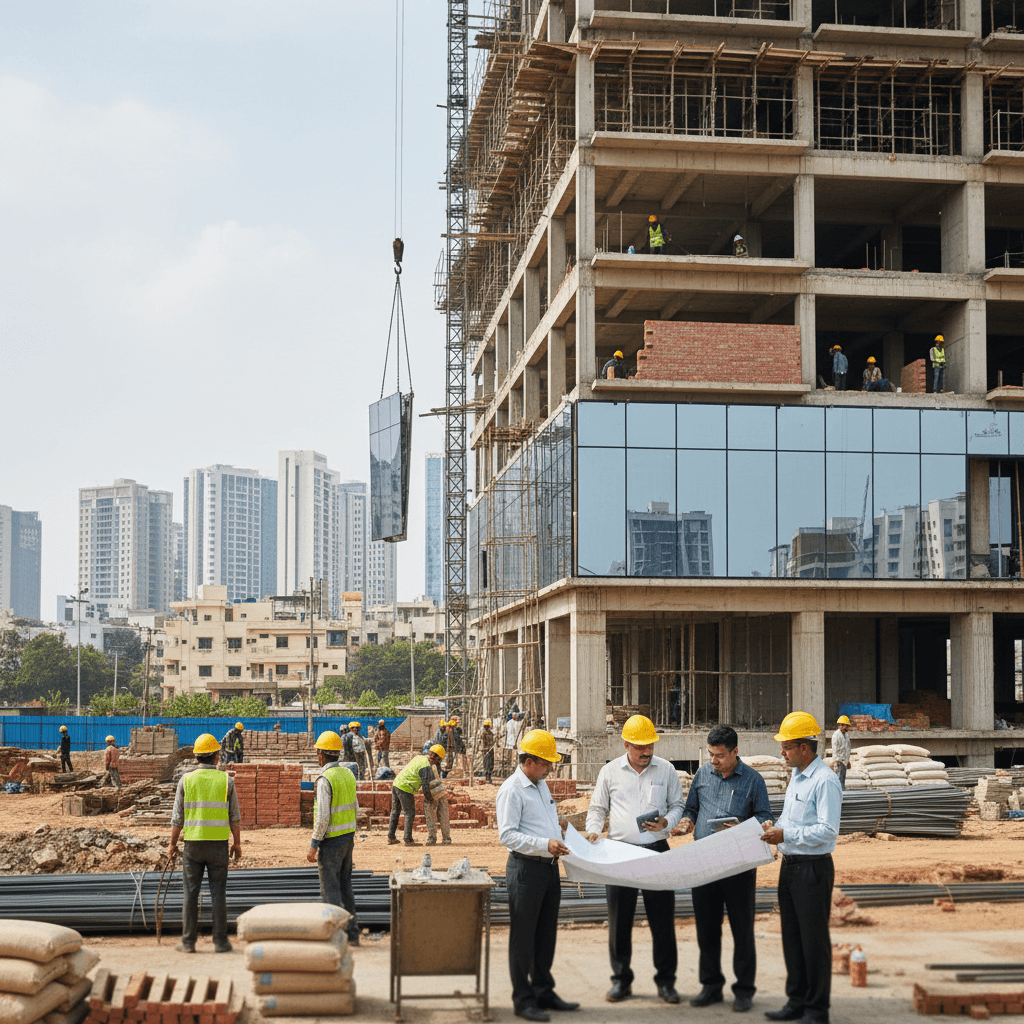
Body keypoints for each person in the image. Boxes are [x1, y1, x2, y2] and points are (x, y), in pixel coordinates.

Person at [584, 715, 685, 1005]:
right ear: (626, 744)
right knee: (619, 920)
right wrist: (593, 831)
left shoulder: (665, 770)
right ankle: (620, 980)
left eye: (650, 746)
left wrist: (667, 821)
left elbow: (678, 805)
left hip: (656, 850)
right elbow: (598, 807)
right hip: (620, 852)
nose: (647, 752)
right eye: (641, 747)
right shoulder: (610, 772)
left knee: (663, 920)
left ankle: (666, 982)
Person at [674, 725, 772, 1013]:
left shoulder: (754, 780)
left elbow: (765, 815)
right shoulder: (703, 775)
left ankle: (743, 990)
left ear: (735, 752)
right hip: (704, 861)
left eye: (719, 755)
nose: (713, 761)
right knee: (706, 927)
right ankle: (711, 986)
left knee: (742, 929)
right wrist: (687, 822)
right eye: (710, 754)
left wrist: (744, 827)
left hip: (738, 864)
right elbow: (691, 808)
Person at [761, 712, 843, 1024]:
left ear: (804, 749)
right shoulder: (798, 776)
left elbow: (827, 831)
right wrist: (775, 828)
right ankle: (796, 1001)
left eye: (786, 746)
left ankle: (817, 1010)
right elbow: (790, 820)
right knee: (792, 938)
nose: (782, 751)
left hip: (813, 868)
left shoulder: (825, 781)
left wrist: (787, 835)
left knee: (813, 941)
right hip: (791, 866)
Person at [496, 729, 577, 1022]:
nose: (551, 768)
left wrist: (559, 832)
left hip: (548, 868)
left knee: (545, 933)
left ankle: (543, 989)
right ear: (529, 761)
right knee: (523, 936)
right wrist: (545, 843)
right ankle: (523, 998)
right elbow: (508, 835)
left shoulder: (540, 784)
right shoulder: (512, 790)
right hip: (525, 869)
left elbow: (541, 822)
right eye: (546, 763)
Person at [166, 733, 241, 953]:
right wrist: (237, 844)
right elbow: (234, 817)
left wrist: (172, 844)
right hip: (218, 845)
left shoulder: (186, 780)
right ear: (217, 757)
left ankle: (188, 942)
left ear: (196, 757)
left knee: (190, 893)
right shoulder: (226, 781)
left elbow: (177, 818)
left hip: (193, 846)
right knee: (218, 893)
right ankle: (220, 942)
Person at [306, 731, 360, 946]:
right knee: (346, 886)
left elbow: (322, 818)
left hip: (331, 842)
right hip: (348, 838)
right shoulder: (348, 774)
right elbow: (355, 807)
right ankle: (353, 933)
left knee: (330, 890)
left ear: (320, 754)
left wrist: (313, 845)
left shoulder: (324, 779)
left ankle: (335, 937)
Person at [388, 744, 445, 846]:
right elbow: (426, 787)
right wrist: (430, 799)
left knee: (395, 811)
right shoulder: (426, 767)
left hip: (396, 783)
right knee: (409, 813)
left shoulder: (420, 757)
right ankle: (408, 839)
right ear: (437, 758)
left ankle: (391, 837)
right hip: (405, 787)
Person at [423, 756, 452, 845]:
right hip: (440, 790)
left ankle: (432, 838)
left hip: (433, 790)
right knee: (443, 814)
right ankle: (446, 838)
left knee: (430, 814)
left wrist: (428, 796)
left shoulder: (427, 766)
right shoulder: (437, 766)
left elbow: (425, 782)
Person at [832, 716, 852, 789]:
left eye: (846, 726)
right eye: (843, 725)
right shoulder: (836, 735)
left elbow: (847, 748)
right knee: (838, 777)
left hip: (844, 760)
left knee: (842, 778)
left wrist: (847, 760)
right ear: (840, 725)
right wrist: (837, 761)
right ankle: (838, 792)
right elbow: (835, 749)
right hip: (839, 761)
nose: (845, 728)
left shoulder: (845, 735)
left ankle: (842, 790)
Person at [481, 719, 496, 784]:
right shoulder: (484, 734)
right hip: (487, 751)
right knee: (488, 764)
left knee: (488, 764)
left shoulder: (490, 734)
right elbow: (483, 743)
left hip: (488, 751)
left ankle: (488, 777)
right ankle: (488, 777)